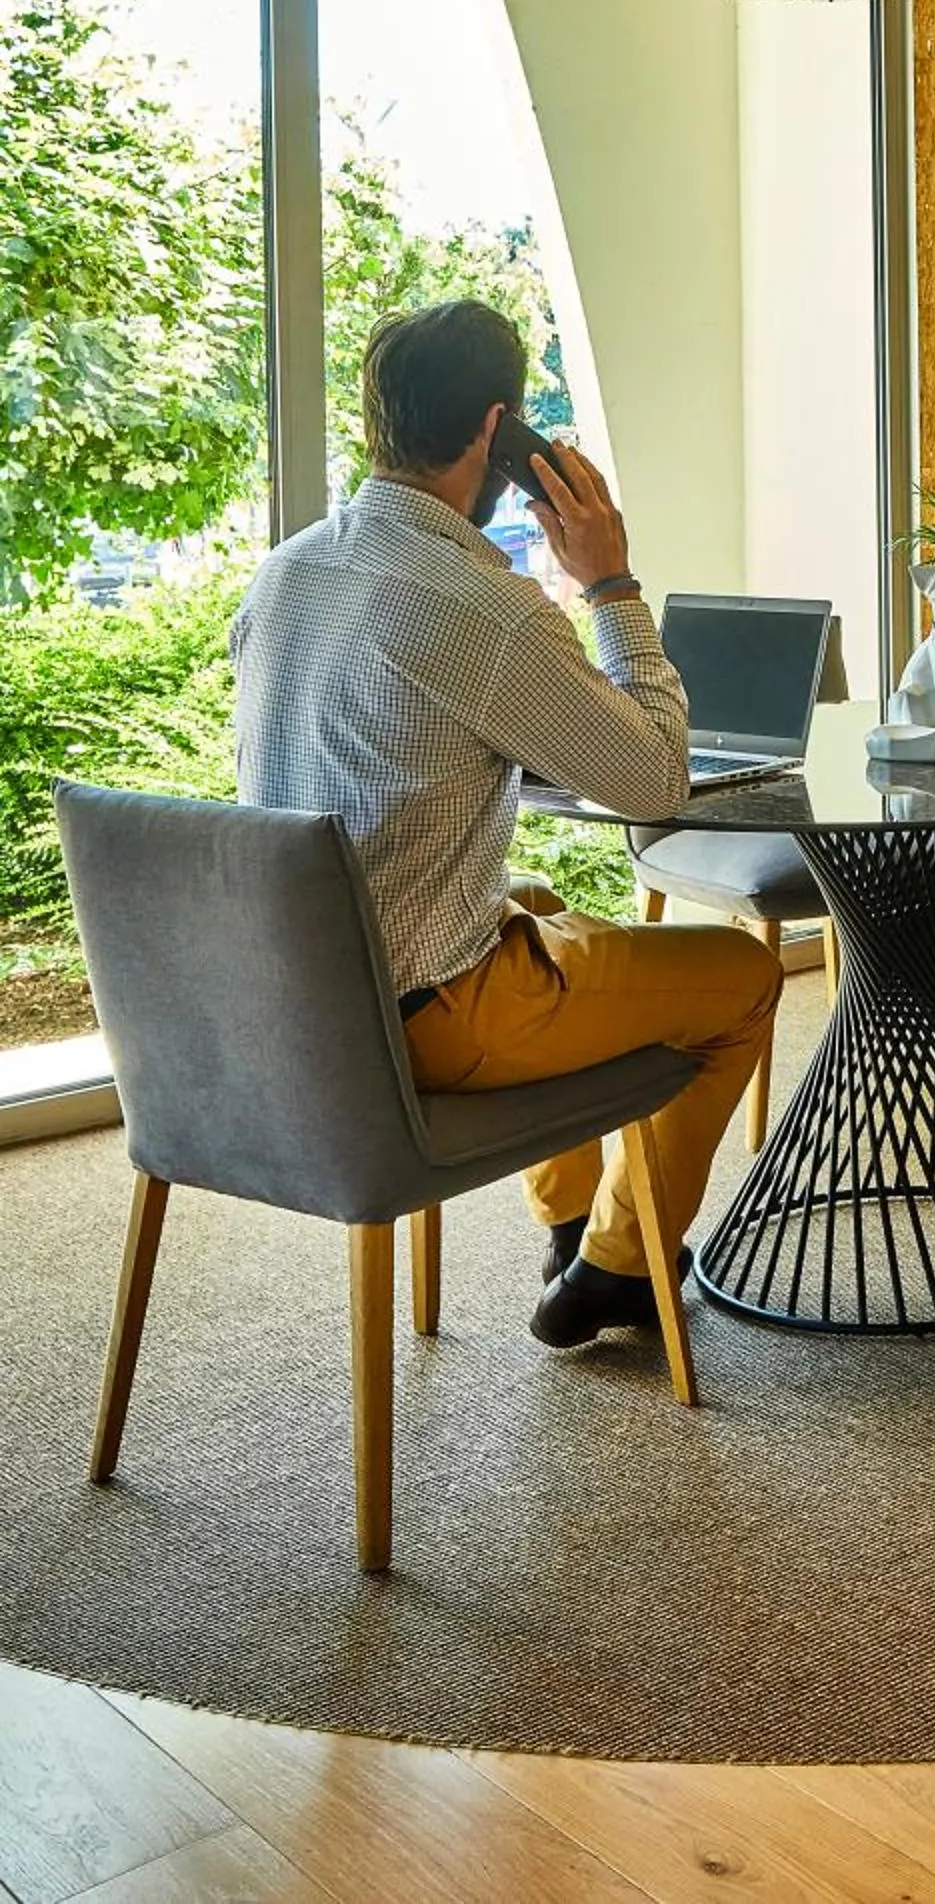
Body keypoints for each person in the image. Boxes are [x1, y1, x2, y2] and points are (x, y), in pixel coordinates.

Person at [229, 298, 780, 1348]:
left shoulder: (287, 572)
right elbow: (653, 779)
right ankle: (620, 1268)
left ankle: (571, 1223)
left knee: (532, 901)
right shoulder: (484, 606)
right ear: (497, 433)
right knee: (743, 983)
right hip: (422, 1019)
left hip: (300, 998)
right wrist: (609, 583)